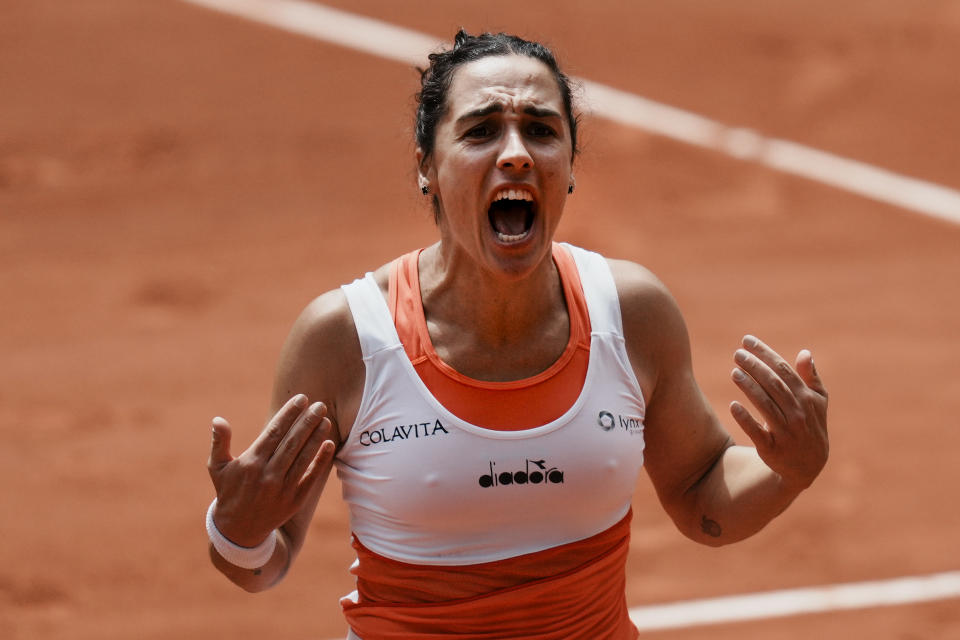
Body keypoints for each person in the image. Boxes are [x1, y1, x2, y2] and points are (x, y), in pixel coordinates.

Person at [204, 30, 829, 640]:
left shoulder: (630, 314)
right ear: (427, 165)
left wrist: (787, 472)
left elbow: (701, 492)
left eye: (541, 129)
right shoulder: (348, 341)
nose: (517, 153)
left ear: (570, 165)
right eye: (480, 130)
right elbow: (265, 560)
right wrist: (236, 531)